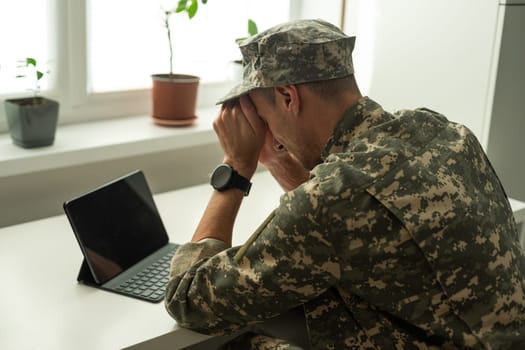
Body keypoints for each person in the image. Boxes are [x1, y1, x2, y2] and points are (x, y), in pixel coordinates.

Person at [164, 19, 525, 349]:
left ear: (289, 97)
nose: (266, 130)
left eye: (263, 113)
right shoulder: (440, 130)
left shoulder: (333, 199)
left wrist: (236, 169)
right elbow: (355, 222)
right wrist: (278, 162)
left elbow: (189, 301)